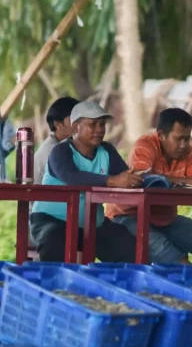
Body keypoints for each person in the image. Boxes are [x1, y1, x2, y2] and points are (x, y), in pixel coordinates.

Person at [107, 108, 192, 265]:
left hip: (166, 220)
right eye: (178, 139)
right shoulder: (145, 145)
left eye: (187, 138)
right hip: (128, 217)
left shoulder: (187, 152)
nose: (184, 145)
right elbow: (141, 177)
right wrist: (189, 181)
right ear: (160, 135)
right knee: (170, 255)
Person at [30, 100, 140, 262]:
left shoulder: (107, 150)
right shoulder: (60, 151)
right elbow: (72, 178)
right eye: (93, 124)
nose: (99, 129)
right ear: (75, 127)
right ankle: (55, 286)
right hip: (51, 221)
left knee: (127, 245)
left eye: (102, 124)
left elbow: (124, 177)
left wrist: (135, 180)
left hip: (92, 224)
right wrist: (114, 181)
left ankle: (113, 285)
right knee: (54, 242)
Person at [34, 96, 79, 184]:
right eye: (74, 119)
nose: (79, 124)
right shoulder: (52, 151)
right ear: (58, 124)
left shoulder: (64, 147)